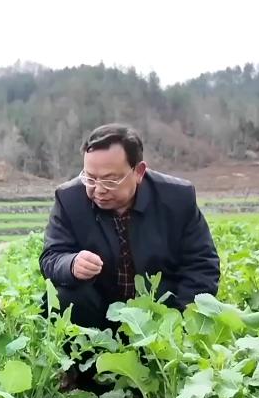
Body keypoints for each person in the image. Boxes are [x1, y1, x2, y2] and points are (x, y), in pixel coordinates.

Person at [41, 123, 220, 327]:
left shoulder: (176, 198)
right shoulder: (69, 199)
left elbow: (202, 264)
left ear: (139, 172)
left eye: (110, 181)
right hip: (99, 314)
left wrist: (179, 320)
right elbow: (51, 257)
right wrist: (71, 264)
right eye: (90, 178)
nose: (98, 189)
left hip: (160, 313)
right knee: (64, 297)